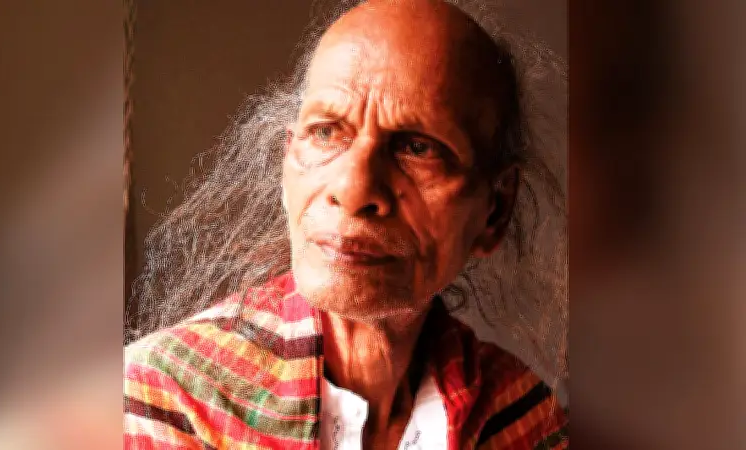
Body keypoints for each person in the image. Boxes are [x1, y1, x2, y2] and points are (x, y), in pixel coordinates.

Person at [124, 0, 568, 448]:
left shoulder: (525, 420)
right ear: (287, 166)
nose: (354, 189)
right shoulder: (163, 402)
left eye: (418, 148)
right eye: (325, 132)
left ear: (495, 210)